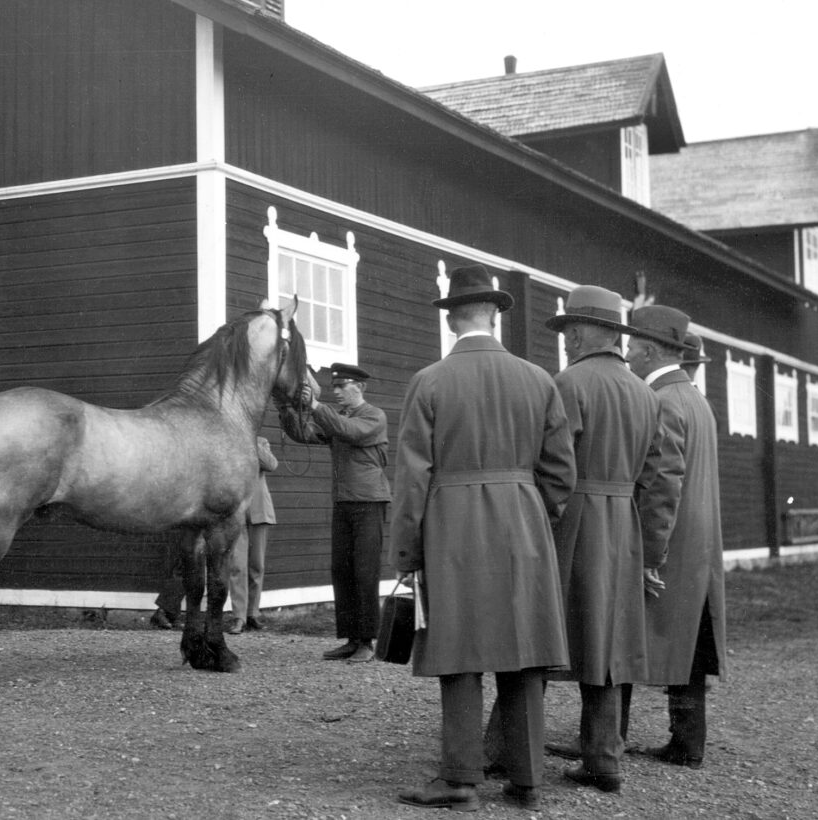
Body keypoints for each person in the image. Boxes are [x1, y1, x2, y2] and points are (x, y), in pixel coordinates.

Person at [390, 264, 576, 811]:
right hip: (523, 523)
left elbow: (411, 477)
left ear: (452, 320)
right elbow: (561, 472)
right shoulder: (539, 380)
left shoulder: (429, 382)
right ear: (495, 315)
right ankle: (528, 780)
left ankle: (460, 779)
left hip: (452, 527)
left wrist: (407, 549)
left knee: (459, 652)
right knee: (524, 651)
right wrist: (534, 511)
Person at [525, 285, 684, 794]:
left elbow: (554, 464)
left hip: (575, 517)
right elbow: (659, 479)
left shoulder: (568, 383)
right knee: (608, 643)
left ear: (598, 331)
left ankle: (507, 749)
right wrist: (649, 549)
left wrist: (541, 523)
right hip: (624, 525)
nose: (567, 338)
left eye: (573, 328)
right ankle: (604, 759)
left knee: (543, 633)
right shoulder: (644, 391)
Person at [624, 306, 728, 769]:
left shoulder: (662, 400)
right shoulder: (694, 399)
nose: (626, 355)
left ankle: (610, 737)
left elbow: (662, 483)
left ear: (647, 350)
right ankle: (687, 742)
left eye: (630, 347)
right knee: (692, 640)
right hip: (700, 540)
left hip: (673, 538)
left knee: (637, 634)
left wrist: (648, 552)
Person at [278, 362, 391, 663]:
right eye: (335, 387)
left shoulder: (373, 416)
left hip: (369, 502)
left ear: (360, 388)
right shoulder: (338, 417)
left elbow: (348, 431)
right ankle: (352, 639)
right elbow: (307, 434)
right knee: (342, 571)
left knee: (365, 572)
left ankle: (367, 641)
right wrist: (287, 409)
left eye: (342, 387)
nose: (337, 391)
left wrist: (314, 404)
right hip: (343, 502)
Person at [225, 436, 278, 634]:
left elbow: (271, 464)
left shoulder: (261, 441)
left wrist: (251, 441)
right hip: (235, 511)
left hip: (259, 510)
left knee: (257, 565)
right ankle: (238, 617)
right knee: (237, 565)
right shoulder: (228, 440)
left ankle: (252, 613)